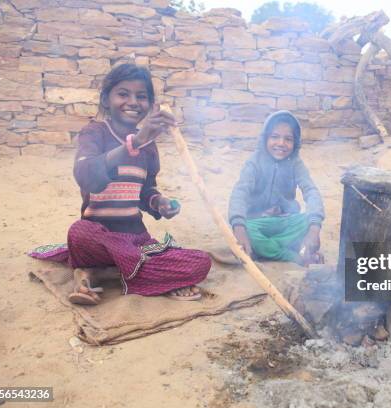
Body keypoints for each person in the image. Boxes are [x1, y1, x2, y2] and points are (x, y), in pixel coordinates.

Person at [32, 63, 211, 305]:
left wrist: (160, 203)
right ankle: (141, 275)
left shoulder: (149, 146)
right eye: (123, 94)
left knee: (201, 261)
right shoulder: (94, 133)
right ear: (106, 100)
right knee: (78, 232)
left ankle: (99, 273)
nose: (133, 102)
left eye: (141, 96)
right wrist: (134, 143)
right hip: (98, 238)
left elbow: (145, 191)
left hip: (135, 240)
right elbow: (86, 176)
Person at [228, 110, 325, 266]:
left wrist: (314, 229)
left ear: (295, 143)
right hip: (257, 221)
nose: (281, 143)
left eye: (288, 139)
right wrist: (239, 228)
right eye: (274, 137)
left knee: (309, 220)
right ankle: (295, 257)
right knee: (245, 229)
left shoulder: (296, 163)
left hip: (284, 220)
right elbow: (240, 192)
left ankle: (266, 249)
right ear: (265, 138)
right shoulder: (254, 162)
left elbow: (311, 191)